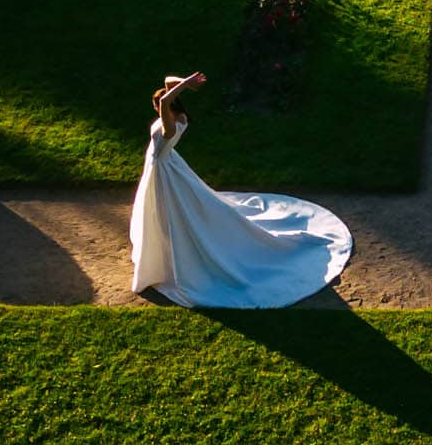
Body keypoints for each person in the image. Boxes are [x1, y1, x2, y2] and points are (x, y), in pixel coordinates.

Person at [129, 73, 354, 307]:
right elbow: (167, 81)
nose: (156, 107)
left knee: (170, 211)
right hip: (168, 167)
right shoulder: (181, 117)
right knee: (172, 210)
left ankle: (165, 253)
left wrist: (185, 85)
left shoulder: (170, 126)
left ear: (164, 104)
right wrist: (185, 84)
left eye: (157, 104)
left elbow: (165, 100)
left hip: (164, 172)